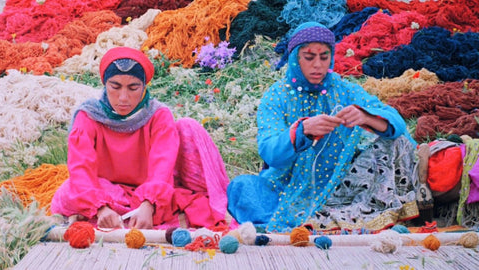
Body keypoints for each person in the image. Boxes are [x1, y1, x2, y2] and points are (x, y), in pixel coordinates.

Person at [226, 22, 419, 233]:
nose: (317, 65)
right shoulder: (277, 96)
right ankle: (315, 217)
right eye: (309, 57)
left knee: (395, 142)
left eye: (324, 57)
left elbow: (397, 124)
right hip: (285, 186)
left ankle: (331, 214)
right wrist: (303, 131)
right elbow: (270, 152)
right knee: (241, 188)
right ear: (295, 58)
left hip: (339, 183)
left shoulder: (344, 90)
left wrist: (366, 116)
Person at [51, 47, 232, 230]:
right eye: (115, 86)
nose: (123, 97)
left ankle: (125, 219)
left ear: (144, 87)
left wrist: (148, 205)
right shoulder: (89, 116)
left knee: (188, 131)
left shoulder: (158, 116)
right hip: (107, 192)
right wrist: (100, 208)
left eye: (133, 88)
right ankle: (152, 220)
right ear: (105, 85)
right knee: (67, 191)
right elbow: (81, 169)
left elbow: (162, 168)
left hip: (150, 192)